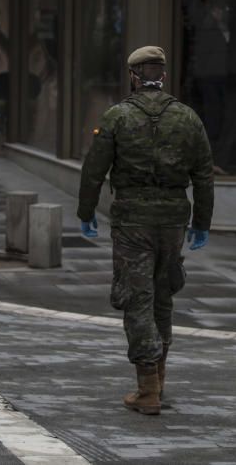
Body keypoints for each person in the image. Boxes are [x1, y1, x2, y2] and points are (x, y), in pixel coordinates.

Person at [77, 46, 214, 416]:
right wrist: (202, 223)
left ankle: (147, 387)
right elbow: (203, 175)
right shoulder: (188, 118)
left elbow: (94, 171)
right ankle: (160, 378)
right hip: (173, 219)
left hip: (132, 220)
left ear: (133, 76)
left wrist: (85, 212)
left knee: (138, 299)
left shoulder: (116, 117)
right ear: (163, 76)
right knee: (163, 298)